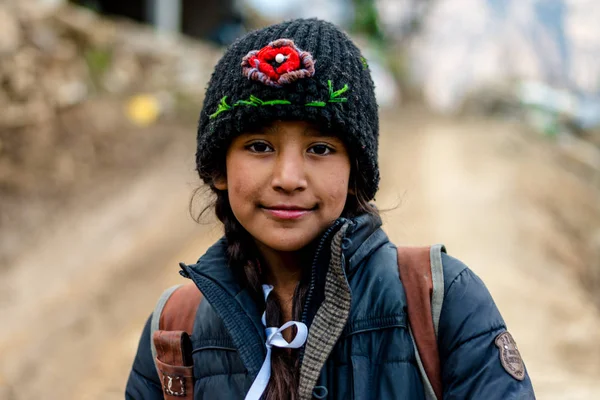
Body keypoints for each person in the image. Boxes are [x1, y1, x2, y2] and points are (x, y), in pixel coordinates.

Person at [126, 18, 536, 399]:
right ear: (219, 170)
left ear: (354, 171)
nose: (288, 177)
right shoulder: (175, 329)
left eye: (320, 149)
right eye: (259, 146)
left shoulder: (442, 302)